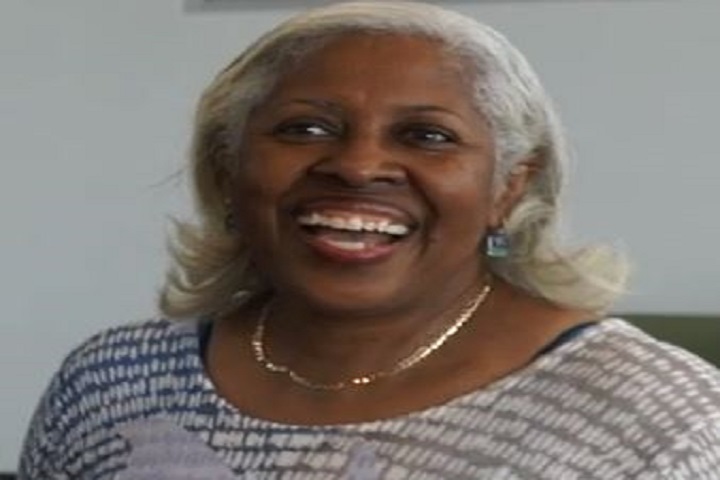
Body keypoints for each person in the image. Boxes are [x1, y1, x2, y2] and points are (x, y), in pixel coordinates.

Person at [18, 1, 720, 478]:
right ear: (227, 169)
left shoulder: (658, 419)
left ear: (509, 187)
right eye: (305, 128)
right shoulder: (112, 383)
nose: (357, 166)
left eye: (427, 136)